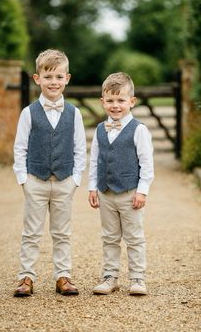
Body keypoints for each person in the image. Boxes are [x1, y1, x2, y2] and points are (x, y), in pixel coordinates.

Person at [13, 49, 86, 297]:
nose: (53, 82)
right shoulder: (28, 113)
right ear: (37, 79)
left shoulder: (74, 113)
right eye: (48, 77)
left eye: (58, 77)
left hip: (65, 181)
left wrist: (76, 179)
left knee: (62, 232)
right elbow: (20, 148)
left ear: (67, 78)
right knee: (31, 231)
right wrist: (24, 179)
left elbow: (80, 148)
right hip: (35, 180)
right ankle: (26, 277)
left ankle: (63, 276)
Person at [88, 72, 154, 295]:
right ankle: (110, 277)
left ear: (131, 102)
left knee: (134, 237)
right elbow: (94, 160)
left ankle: (137, 278)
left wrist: (142, 191)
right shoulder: (99, 129)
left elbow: (147, 164)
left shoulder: (139, 130)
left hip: (130, 192)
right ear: (102, 101)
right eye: (110, 100)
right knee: (109, 237)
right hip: (106, 192)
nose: (115, 106)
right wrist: (92, 187)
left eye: (121, 100)